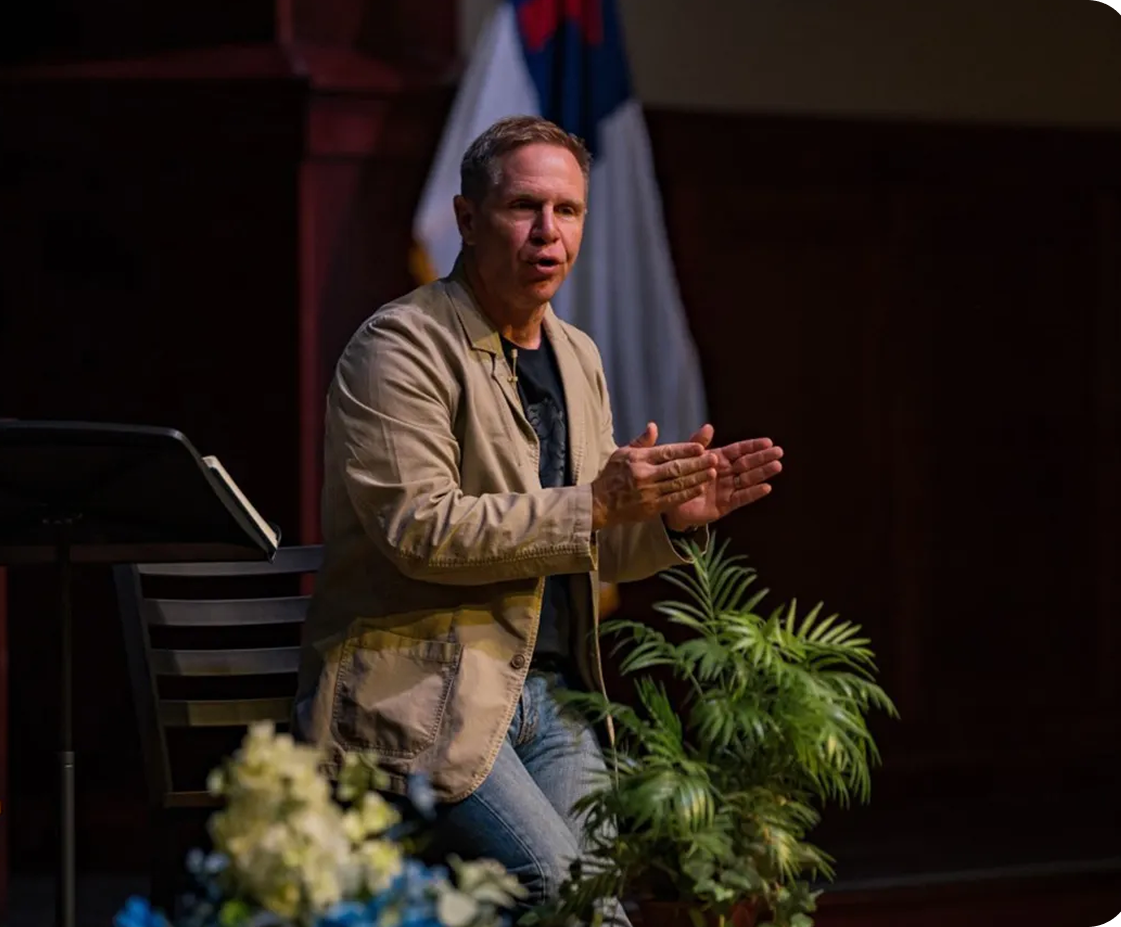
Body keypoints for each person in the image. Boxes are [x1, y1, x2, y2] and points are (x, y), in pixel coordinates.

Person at [293, 115, 784, 919]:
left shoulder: (575, 353)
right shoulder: (400, 346)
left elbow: (587, 543)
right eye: (523, 206)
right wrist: (596, 504)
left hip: (552, 693)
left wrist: (668, 519)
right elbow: (420, 529)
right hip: (422, 691)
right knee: (565, 896)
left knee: (598, 900)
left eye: (567, 210)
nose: (547, 231)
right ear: (466, 219)